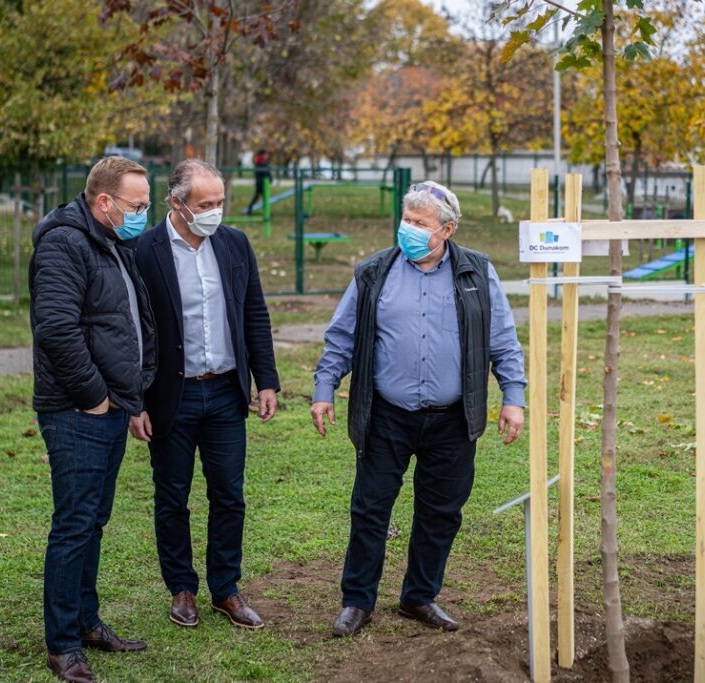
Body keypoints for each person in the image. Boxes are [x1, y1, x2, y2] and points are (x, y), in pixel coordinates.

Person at [311, 180, 527, 638]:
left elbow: (503, 342)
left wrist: (513, 398)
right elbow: (342, 336)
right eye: (406, 220)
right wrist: (324, 388)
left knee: (441, 511)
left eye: (419, 223)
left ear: (446, 229)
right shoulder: (374, 272)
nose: (408, 229)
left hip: (452, 418)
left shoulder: (477, 273)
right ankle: (357, 601)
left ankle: (419, 596)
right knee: (370, 509)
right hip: (387, 415)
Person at [133, 159, 280, 631]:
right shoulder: (143, 250)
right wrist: (135, 400)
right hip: (169, 396)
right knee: (172, 495)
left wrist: (268, 380)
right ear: (176, 203)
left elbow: (254, 312)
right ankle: (182, 589)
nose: (214, 211)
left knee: (229, 495)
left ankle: (227, 590)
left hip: (225, 393)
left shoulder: (235, 244)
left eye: (219, 202)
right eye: (205, 204)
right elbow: (132, 330)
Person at [30, 156, 157, 682]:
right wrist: (94, 397)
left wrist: (128, 398)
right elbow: (57, 329)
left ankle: (86, 623)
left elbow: (122, 321)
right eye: (137, 205)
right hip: (77, 410)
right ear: (104, 201)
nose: (143, 215)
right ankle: (62, 645)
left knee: (92, 522)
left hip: (108, 407)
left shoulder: (110, 241)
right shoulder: (65, 242)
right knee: (74, 524)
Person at [245, 149, 272, 215]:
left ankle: (250, 210)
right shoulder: (261, 162)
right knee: (263, 198)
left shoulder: (259, 161)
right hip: (262, 183)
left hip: (261, 182)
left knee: (259, 197)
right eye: (266, 154)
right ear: (262, 155)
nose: (267, 156)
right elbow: (264, 172)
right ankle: (266, 213)